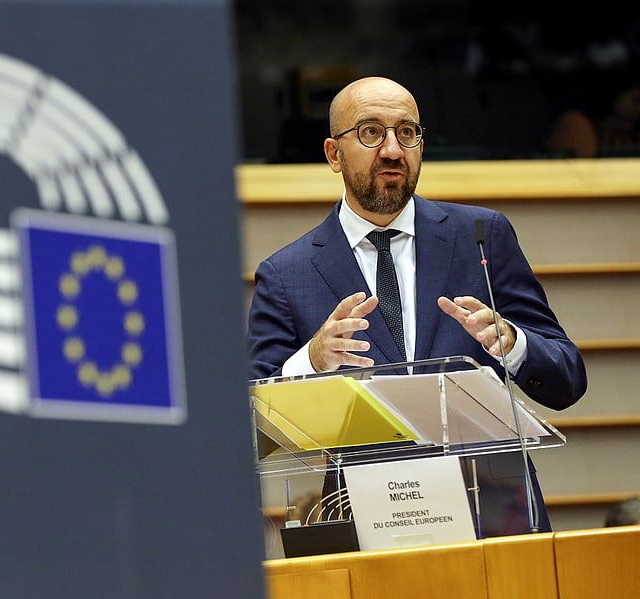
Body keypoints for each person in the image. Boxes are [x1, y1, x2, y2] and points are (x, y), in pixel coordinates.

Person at [246, 76, 588, 537]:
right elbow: (251, 428)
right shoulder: (287, 274)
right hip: (368, 520)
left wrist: (514, 344)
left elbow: (567, 378)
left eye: (407, 133)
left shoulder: (481, 236)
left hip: (493, 513)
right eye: (371, 132)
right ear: (333, 154)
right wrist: (311, 360)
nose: (392, 150)